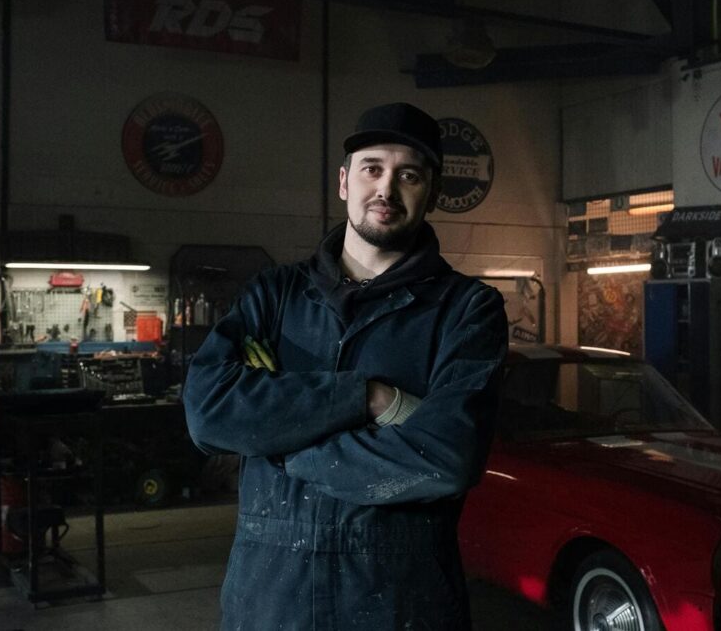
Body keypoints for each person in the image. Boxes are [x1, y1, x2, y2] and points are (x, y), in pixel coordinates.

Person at [183, 101, 508, 630]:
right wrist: (367, 398)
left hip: (400, 604)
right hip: (269, 603)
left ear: (431, 193)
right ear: (344, 182)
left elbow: (447, 458)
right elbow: (208, 411)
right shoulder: (275, 294)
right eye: (372, 168)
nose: (386, 188)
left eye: (409, 175)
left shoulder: (467, 310)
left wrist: (283, 446)